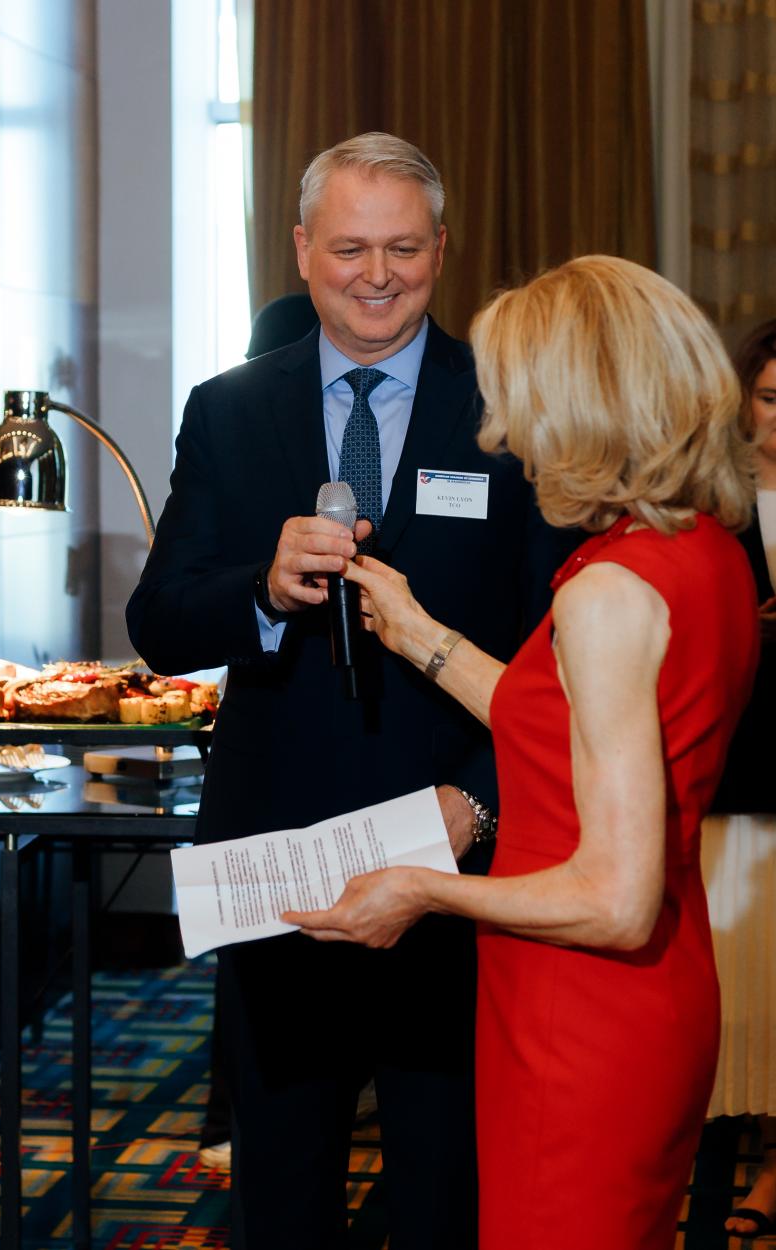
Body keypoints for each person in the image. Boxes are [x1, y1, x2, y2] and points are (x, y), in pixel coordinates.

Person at [127, 132, 580, 1250]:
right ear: (300, 250)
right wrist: (260, 589)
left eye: (403, 249)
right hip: (279, 861)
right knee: (282, 1191)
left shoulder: (514, 407)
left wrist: (479, 803)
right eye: (349, 249)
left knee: (447, 1189)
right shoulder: (229, 408)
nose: (377, 275)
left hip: (457, 857)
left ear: (441, 249)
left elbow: (556, 652)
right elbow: (160, 622)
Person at [286, 255, 760, 1250]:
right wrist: (419, 632)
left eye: (517, 400)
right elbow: (565, 723)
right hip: (649, 992)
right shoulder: (698, 549)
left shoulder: (607, 593)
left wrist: (421, 889)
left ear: (583, 405)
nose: (502, 433)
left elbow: (614, 900)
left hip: (577, 1010)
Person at [711, 318, 776, 1241]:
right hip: (736, 757)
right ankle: (747, 1144)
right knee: (743, 979)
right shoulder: (713, 500)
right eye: (769, 400)